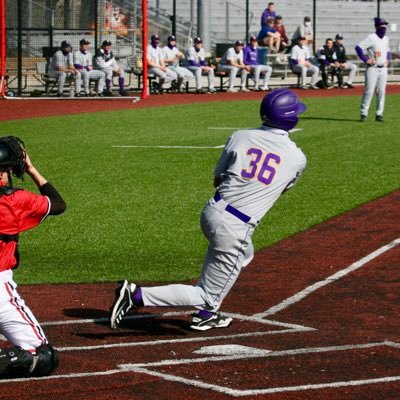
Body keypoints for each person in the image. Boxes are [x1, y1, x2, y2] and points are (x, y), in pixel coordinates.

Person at [109, 88, 307, 332]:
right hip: (236, 226)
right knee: (207, 294)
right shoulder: (297, 157)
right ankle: (138, 295)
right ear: (290, 118)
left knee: (243, 254)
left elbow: (218, 178)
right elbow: (282, 189)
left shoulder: (240, 136)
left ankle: (206, 314)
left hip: (213, 211)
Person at [0, 136, 66, 378]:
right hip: (0, 294)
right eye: (7, 169)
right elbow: (58, 204)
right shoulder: (13, 202)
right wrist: (30, 168)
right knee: (41, 356)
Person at [356, 17, 391, 122]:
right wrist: (366, 59)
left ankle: (379, 114)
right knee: (369, 91)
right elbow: (358, 48)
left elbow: (388, 51)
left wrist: (388, 60)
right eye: (381, 25)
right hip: (372, 68)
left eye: (385, 25)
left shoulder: (386, 38)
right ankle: (363, 113)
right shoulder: (371, 37)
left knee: (381, 92)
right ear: (376, 26)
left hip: (383, 68)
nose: (383, 27)